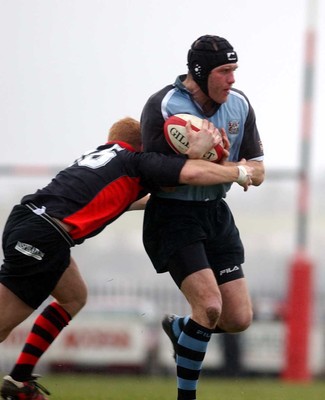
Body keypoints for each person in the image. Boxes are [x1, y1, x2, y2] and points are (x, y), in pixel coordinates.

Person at [0, 116, 253, 400]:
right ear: (142, 145)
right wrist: (235, 170)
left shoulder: (105, 157)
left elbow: (140, 199)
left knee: (74, 297)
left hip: (33, 223)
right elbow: (182, 175)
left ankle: (20, 380)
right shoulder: (136, 161)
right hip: (44, 235)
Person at [141, 34, 265, 400]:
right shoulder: (164, 106)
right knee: (209, 306)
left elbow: (258, 171)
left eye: (234, 70)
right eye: (225, 71)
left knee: (237, 318)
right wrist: (226, 168)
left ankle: (183, 328)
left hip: (215, 213)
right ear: (201, 72)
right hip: (174, 214)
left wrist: (235, 170)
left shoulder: (239, 106)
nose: (233, 79)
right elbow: (160, 175)